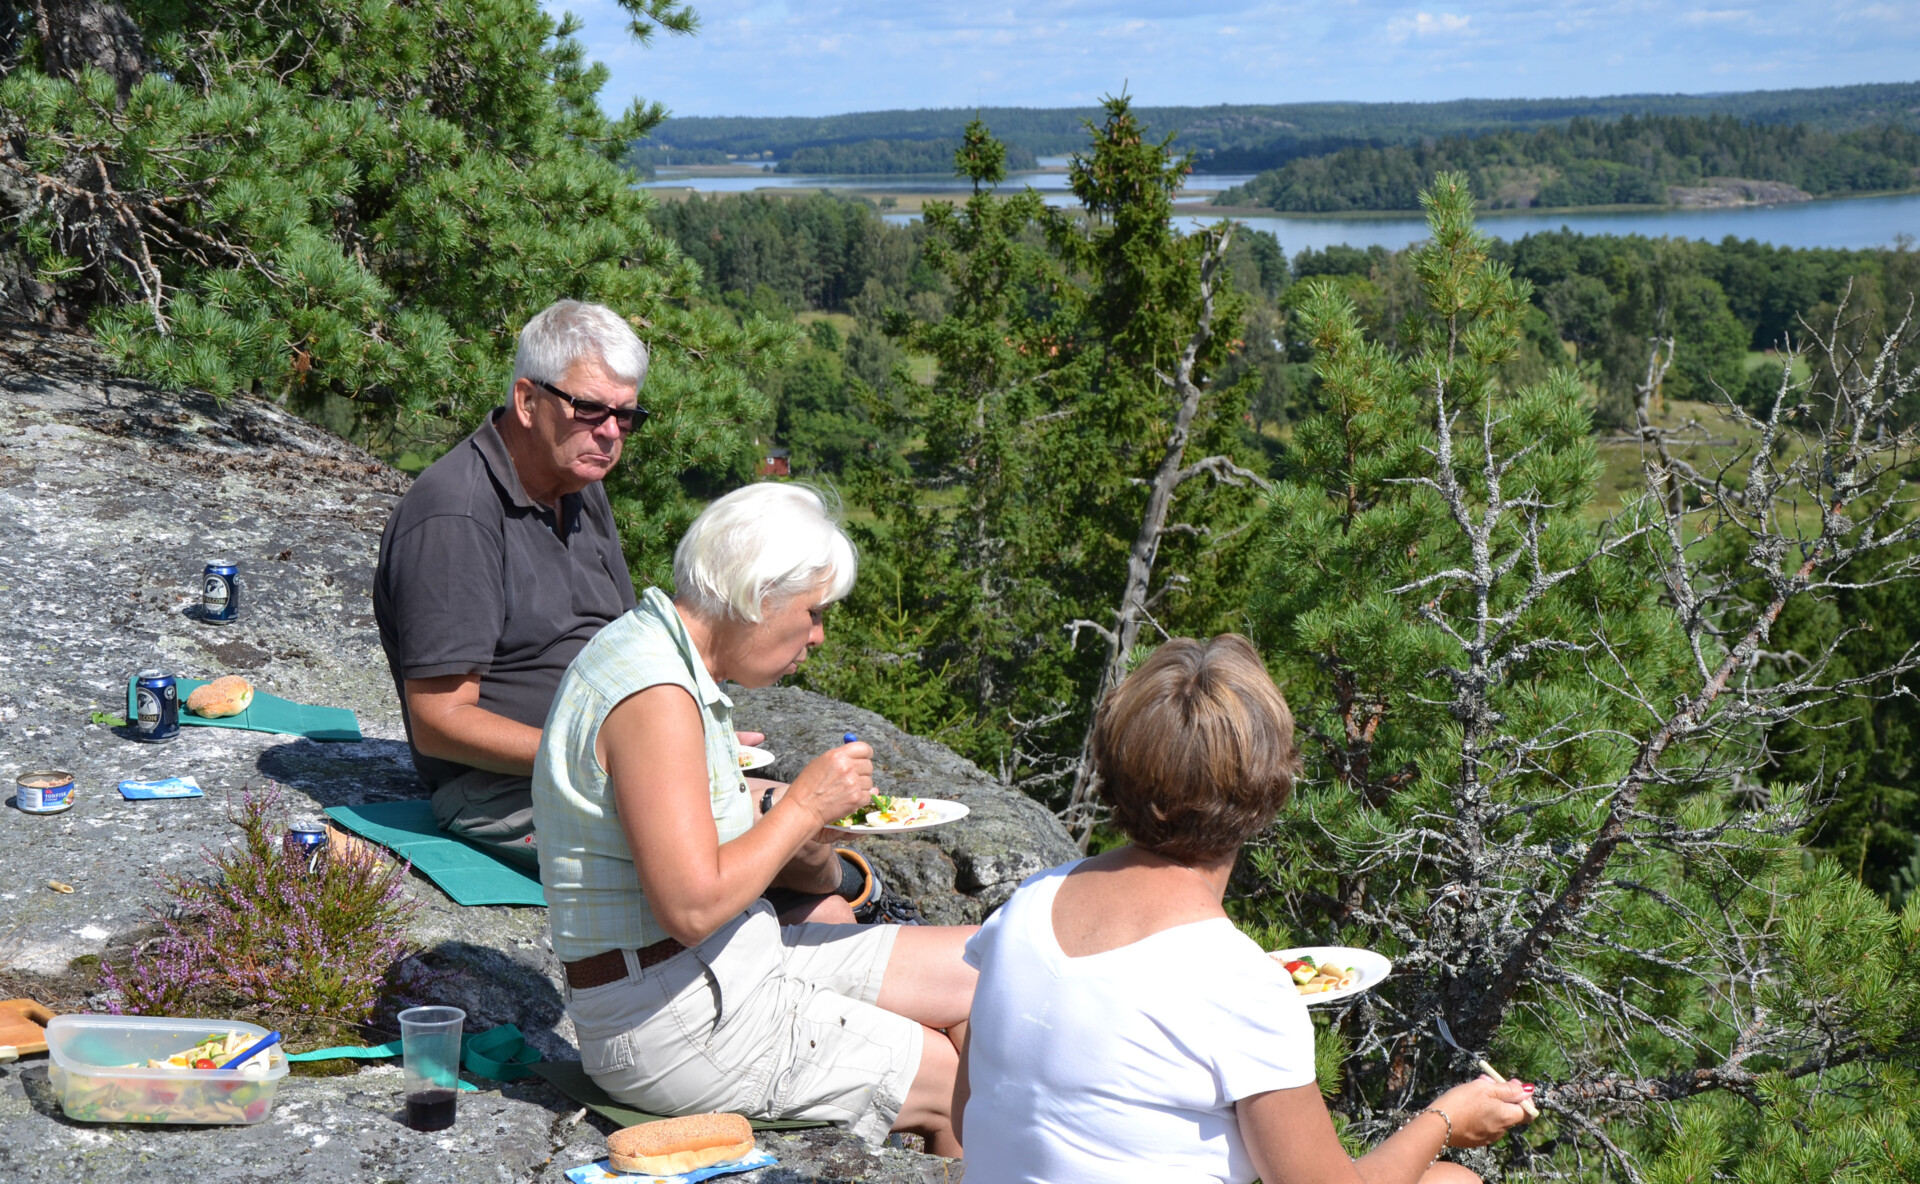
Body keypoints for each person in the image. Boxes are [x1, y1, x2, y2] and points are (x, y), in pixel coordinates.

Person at [957, 635, 1531, 1183]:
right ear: (1270, 790)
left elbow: (969, 1117)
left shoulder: (1022, 910)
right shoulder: (1234, 982)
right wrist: (1446, 1120)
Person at [531, 483, 977, 1154]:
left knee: (986, 971)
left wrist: (800, 824)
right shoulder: (654, 696)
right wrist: (800, 807)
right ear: (759, 594)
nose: (820, 634)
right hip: (671, 1021)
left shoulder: (659, 654)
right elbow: (689, 904)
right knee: (951, 1080)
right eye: (814, 611)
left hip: (720, 964)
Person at [373, 299, 645, 867]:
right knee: (703, 852)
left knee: (779, 816)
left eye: (627, 416)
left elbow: (624, 644)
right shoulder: (457, 514)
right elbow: (439, 723)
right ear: (527, 400)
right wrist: (598, 756)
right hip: (499, 790)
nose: (612, 432)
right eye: (591, 409)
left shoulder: (578, 483)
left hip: (606, 761)